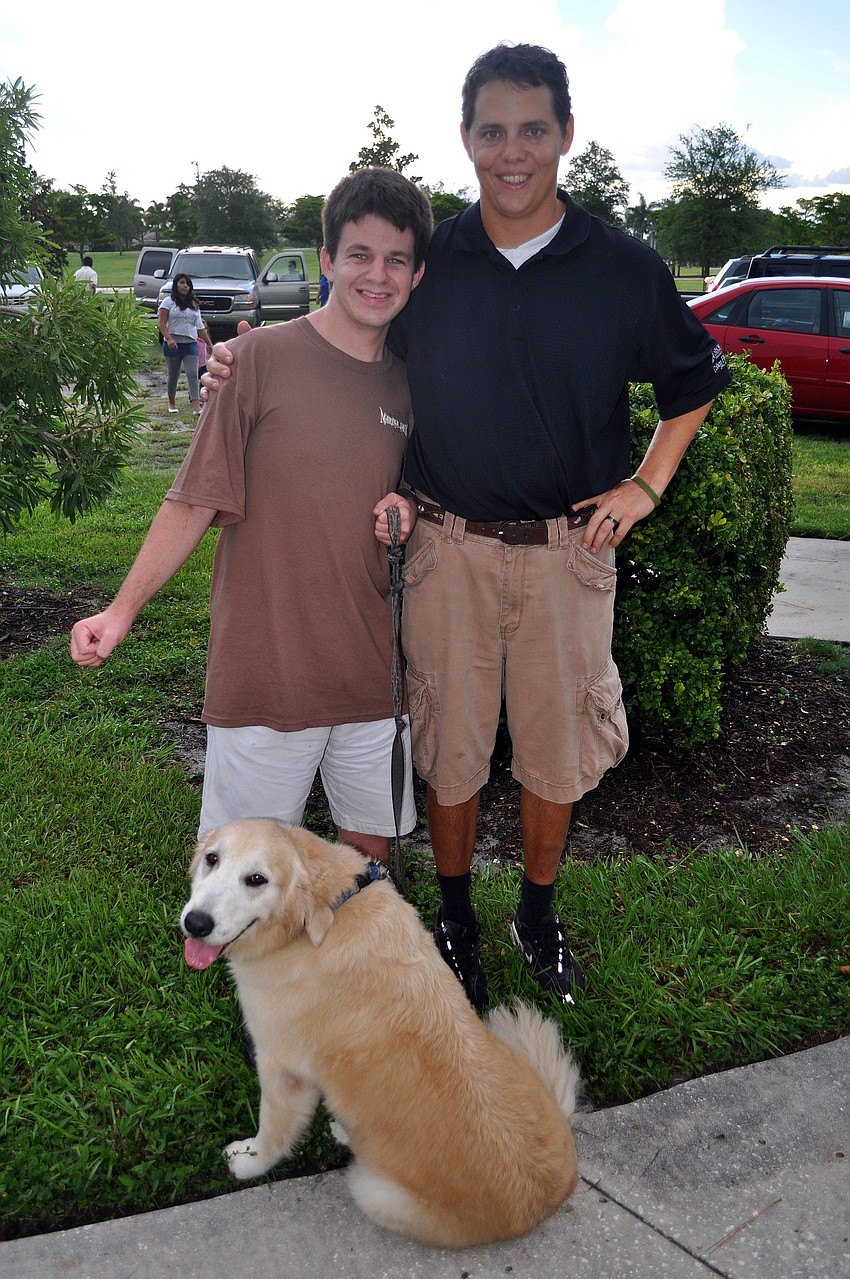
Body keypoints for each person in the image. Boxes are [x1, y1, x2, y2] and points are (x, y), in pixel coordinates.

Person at [203, 43, 731, 1010]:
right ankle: (454, 917)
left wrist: (646, 487)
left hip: (570, 554)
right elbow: (348, 341)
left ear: (567, 134)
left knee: (556, 750)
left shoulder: (622, 266)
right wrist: (244, 364)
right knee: (446, 745)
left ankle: (536, 911)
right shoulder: (431, 260)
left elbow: (694, 381)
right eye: (493, 131)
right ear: (467, 140)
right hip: (444, 546)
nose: (514, 151)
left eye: (535, 128)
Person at [70, 168, 433, 865]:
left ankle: (344, 975)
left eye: (396, 260)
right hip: (265, 673)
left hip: (373, 675)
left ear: (417, 275)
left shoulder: (413, 385)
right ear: (327, 260)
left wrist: (409, 508)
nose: (377, 275)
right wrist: (120, 612)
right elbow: (193, 499)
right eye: (359, 254)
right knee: (238, 880)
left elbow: (424, 490)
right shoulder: (256, 360)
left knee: (369, 862)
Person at [158, 274, 213, 415]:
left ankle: (196, 406)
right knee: (173, 374)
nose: (185, 286)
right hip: (173, 344)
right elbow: (162, 324)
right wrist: (169, 339)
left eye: (187, 284)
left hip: (190, 343)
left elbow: (200, 326)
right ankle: (172, 403)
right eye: (182, 283)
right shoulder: (168, 302)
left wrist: (209, 344)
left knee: (193, 374)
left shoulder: (194, 304)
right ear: (176, 285)